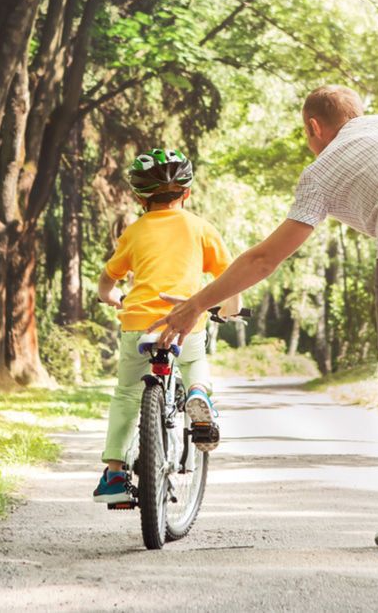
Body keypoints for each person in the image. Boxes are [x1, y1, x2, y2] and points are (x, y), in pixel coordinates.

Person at [148, 86, 378, 555]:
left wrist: (196, 303)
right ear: (359, 113)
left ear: (313, 128)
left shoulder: (322, 169)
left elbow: (264, 259)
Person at [91, 148, 241, 504]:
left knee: (128, 393)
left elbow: (107, 281)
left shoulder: (134, 232)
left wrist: (112, 298)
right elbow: (230, 278)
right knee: (192, 362)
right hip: (186, 322)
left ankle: (114, 475)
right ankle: (198, 394)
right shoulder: (201, 228)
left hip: (139, 326)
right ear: (187, 192)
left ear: (139, 197)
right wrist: (230, 310)